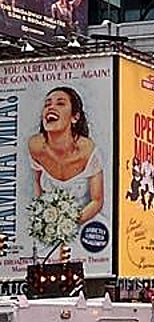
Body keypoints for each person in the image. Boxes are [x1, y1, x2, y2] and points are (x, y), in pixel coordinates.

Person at [28, 86, 105, 235]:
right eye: (47, 104)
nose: (51, 107)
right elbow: (37, 184)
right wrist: (43, 219)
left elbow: (97, 201)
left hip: (87, 227)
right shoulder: (35, 146)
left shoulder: (87, 150)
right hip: (49, 229)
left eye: (60, 103)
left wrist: (66, 226)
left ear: (74, 117)